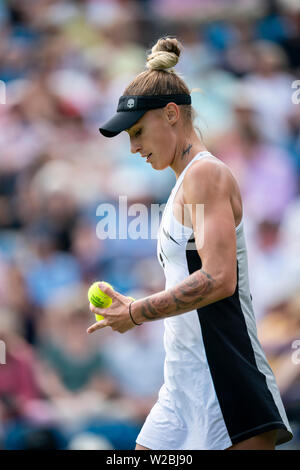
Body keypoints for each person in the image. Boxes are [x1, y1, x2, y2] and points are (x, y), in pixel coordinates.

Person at [87, 37, 293, 450]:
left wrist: (138, 312)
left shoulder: (205, 176)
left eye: (138, 132)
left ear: (171, 114)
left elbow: (218, 279)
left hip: (228, 384)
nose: (133, 147)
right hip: (183, 387)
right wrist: (133, 305)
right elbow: (193, 282)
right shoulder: (183, 184)